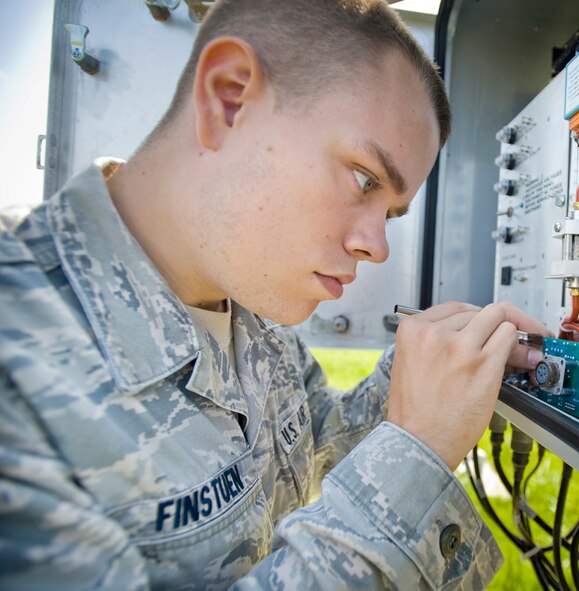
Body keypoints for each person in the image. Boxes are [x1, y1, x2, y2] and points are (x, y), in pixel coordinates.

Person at [0, 0, 549, 588]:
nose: (378, 247)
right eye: (365, 179)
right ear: (229, 99)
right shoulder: (19, 359)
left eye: (390, 211)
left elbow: (321, 449)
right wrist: (415, 456)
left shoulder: (248, 308)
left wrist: (425, 372)